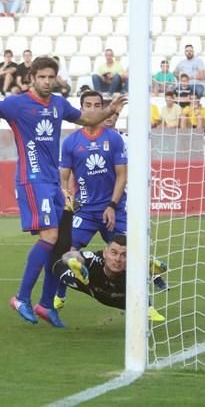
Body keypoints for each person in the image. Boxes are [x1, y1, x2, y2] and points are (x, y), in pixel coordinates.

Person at [0, 56, 124, 328]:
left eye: (51, 77)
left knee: (62, 246)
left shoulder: (58, 104)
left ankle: (46, 304)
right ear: (32, 78)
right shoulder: (18, 104)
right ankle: (21, 298)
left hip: (54, 185)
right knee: (50, 236)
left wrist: (109, 109)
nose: (48, 82)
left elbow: (88, 117)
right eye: (42, 77)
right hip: (32, 180)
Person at [55, 90, 127, 309]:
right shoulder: (71, 142)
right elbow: (64, 177)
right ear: (81, 108)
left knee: (131, 254)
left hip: (112, 209)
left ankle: (145, 305)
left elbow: (122, 174)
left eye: (98, 105)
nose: (93, 109)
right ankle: (60, 294)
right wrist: (68, 199)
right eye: (89, 105)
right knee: (65, 252)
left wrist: (112, 205)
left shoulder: (113, 138)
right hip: (85, 211)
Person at [49, 207, 166, 322]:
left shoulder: (131, 268)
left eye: (124, 255)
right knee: (58, 265)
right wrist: (73, 260)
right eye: (114, 253)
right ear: (105, 253)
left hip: (120, 297)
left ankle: (148, 308)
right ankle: (62, 292)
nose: (118, 259)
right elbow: (69, 254)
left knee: (136, 285)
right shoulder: (96, 259)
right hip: (88, 285)